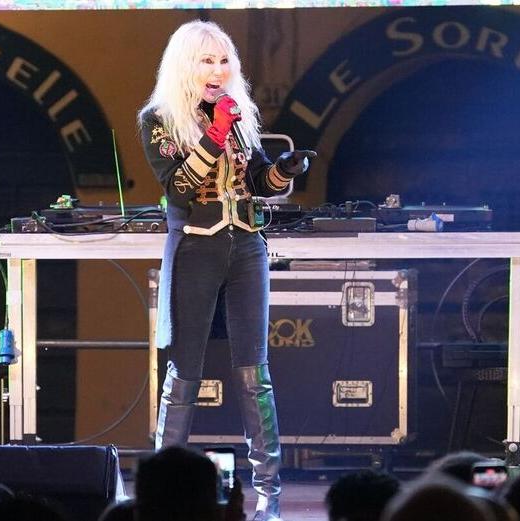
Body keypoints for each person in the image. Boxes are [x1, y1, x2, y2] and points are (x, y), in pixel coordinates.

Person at [138, 19, 315, 521]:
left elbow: (258, 180)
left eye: (223, 61)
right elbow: (178, 187)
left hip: (247, 247)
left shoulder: (239, 115)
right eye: (206, 60)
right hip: (196, 248)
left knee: (254, 372)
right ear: (185, 66)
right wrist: (214, 132)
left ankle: (268, 494)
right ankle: (161, 490)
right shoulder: (159, 118)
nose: (217, 70)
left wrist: (285, 168)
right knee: (184, 371)